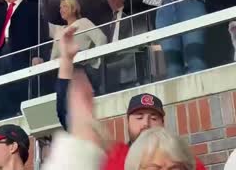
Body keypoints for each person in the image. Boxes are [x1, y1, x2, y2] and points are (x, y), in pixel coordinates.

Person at [42, 26, 201, 170]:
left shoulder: (186, 160)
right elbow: (74, 119)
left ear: (163, 123)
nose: (146, 124)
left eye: (154, 117)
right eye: (139, 117)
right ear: (127, 122)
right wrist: (67, 60)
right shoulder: (113, 155)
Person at [48, 0, 107, 130]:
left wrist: (92, 60)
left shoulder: (83, 23)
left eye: (65, 6)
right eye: (60, 7)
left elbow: (101, 39)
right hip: (63, 74)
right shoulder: (59, 30)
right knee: (64, 109)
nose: (61, 10)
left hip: (81, 71)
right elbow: (54, 57)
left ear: (74, 8)